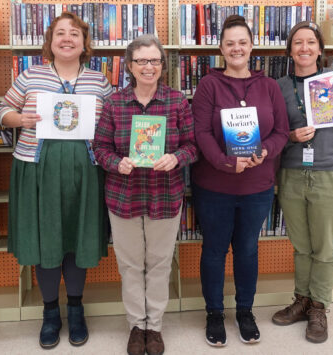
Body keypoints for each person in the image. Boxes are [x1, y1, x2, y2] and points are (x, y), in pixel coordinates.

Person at [0, 11, 112, 349]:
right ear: (50, 41)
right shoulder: (30, 76)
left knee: (78, 239)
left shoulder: (99, 81)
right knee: (47, 240)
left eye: (75, 33)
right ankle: (50, 314)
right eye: (60, 33)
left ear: (84, 43)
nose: (67, 39)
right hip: (37, 168)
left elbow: (111, 123)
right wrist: (20, 117)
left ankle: (75, 309)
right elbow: (2, 110)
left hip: (85, 170)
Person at [94, 34, 197, 355]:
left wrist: (176, 158)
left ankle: (155, 326)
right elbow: (100, 148)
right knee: (130, 264)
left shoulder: (177, 101)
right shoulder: (114, 103)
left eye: (154, 61)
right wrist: (116, 162)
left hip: (165, 195)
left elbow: (192, 147)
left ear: (163, 65)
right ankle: (136, 325)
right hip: (124, 196)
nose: (148, 67)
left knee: (159, 264)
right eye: (141, 61)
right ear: (129, 66)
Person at [191, 15, 289, 347]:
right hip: (215, 185)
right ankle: (214, 314)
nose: (236, 48)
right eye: (230, 43)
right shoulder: (208, 85)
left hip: (257, 186)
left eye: (242, 42)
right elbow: (200, 133)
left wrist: (266, 151)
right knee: (215, 251)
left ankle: (245, 312)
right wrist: (225, 162)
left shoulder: (269, 86)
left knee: (247, 250)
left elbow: (281, 132)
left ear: (251, 47)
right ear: (221, 48)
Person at [272, 21, 333, 343]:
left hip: (331, 172)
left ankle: (318, 307)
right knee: (301, 247)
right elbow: (272, 134)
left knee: (325, 249)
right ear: (289, 50)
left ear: (319, 48)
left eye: (310, 42)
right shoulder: (279, 86)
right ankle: (301, 300)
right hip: (292, 173)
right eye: (297, 43)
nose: (304, 48)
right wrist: (289, 136)